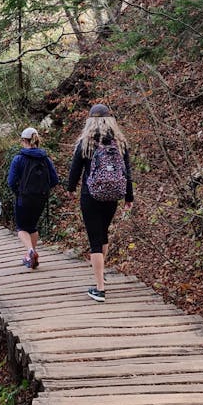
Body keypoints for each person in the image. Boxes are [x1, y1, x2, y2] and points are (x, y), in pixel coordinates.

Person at [67, 103, 134, 301]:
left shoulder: (86, 142)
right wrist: (128, 197)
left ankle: (99, 289)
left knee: (95, 241)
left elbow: (75, 170)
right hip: (113, 196)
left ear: (89, 121)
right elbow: (127, 172)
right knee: (103, 235)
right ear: (110, 120)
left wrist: (70, 189)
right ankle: (101, 274)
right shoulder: (119, 142)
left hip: (91, 195)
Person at [7, 126, 59, 269]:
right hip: (41, 199)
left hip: (24, 198)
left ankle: (30, 251)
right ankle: (32, 255)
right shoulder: (45, 158)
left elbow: (11, 182)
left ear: (24, 140)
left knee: (22, 228)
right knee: (33, 227)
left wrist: (19, 191)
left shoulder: (18, 159)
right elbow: (54, 180)